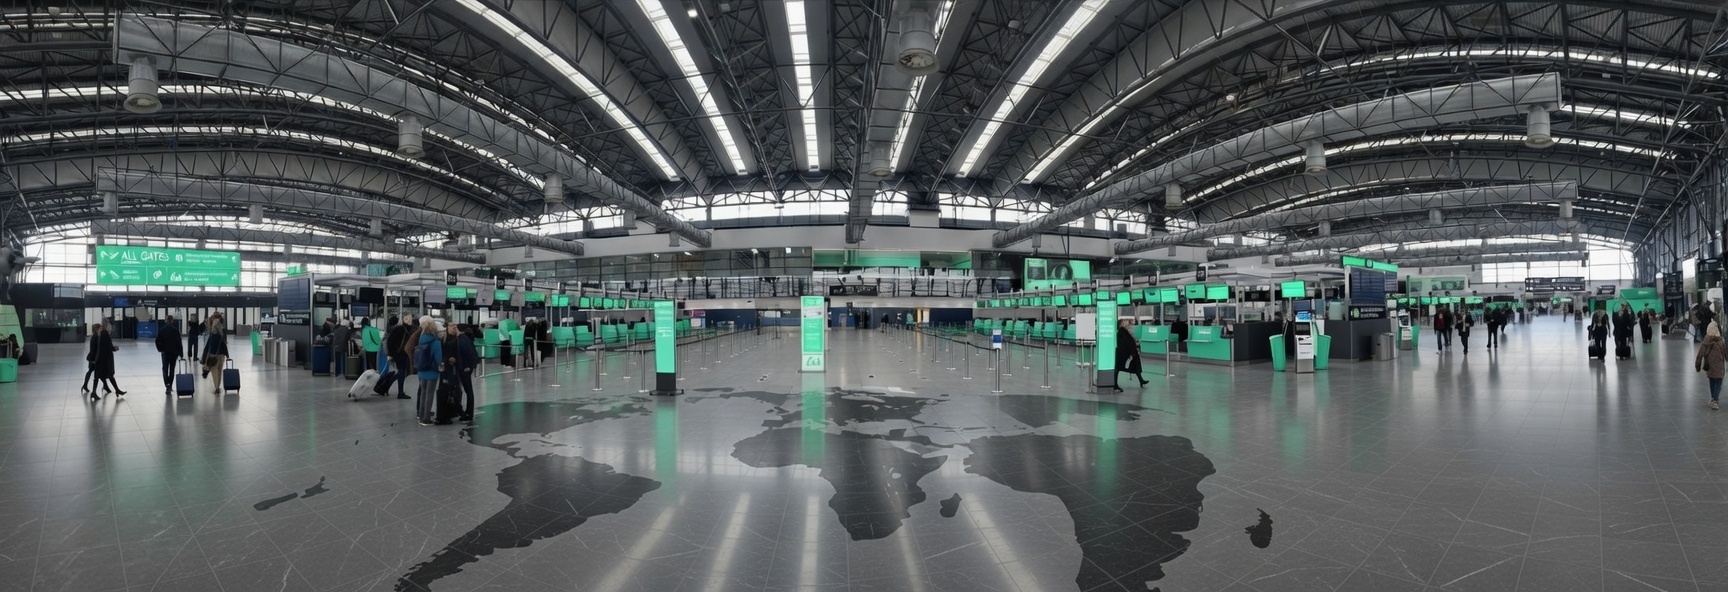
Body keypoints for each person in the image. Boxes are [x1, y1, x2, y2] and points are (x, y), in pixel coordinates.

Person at [412, 317, 444, 426]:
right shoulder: (436, 342)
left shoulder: (421, 339)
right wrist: (441, 367)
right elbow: (439, 359)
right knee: (429, 394)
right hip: (432, 371)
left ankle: (421, 416)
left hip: (422, 370)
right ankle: (426, 419)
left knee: (423, 393)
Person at [446, 324, 480, 422]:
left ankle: (469, 413)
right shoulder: (463, 339)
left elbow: (469, 354)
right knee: (468, 390)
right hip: (464, 367)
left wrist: (468, 367)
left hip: (465, 368)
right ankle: (468, 412)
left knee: (468, 390)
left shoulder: (462, 340)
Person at [85, 323, 122, 400]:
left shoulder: (96, 337)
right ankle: (114, 389)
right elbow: (105, 348)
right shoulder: (102, 336)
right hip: (99, 359)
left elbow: (95, 349)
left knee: (97, 375)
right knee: (105, 375)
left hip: (96, 359)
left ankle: (95, 391)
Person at [382, 313, 415, 399]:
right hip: (399, 354)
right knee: (402, 372)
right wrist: (392, 354)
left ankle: (388, 386)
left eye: (410, 318)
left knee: (402, 372)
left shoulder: (409, 329)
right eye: (407, 319)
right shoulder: (400, 329)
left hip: (404, 354)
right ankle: (399, 392)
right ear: (403, 320)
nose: (409, 320)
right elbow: (390, 341)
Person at [1699, 323, 1727, 411]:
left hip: (1711, 367)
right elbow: (1726, 353)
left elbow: (1700, 354)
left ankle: (1713, 399)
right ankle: (1715, 399)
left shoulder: (1706, 341)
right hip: (1720, 367)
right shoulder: (1721, 342)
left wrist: (1697, 364)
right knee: (1719, 383)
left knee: (1712, 382)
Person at [155, 314, 184, 395]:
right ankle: (170, 384)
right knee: (172, 369)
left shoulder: (162, 331)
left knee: (165, 368)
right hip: (174, 353)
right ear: (172, 321)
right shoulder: (176, 331)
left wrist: (161, 349)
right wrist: (180, 353)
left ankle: (167, 384)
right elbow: (179, 342)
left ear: (166, 321)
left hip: (165, 352)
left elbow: (157, 341)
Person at [1113, 320, 1145, 390]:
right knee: (1119, 368)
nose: (1130, 326)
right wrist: (1132, 352)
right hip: (1126, 354)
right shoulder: (1123, 333)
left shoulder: (1123, 332)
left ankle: (1141, 380)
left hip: (1125, 353)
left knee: (1119, 368)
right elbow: (1127, 343)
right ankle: (1115, 384)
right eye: (1128, 324)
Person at [203, 313, 229, 391]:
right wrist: (227, 355)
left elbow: (207, 347)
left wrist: (204, 357)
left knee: (214, 371)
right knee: (219, 371)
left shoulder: (212, 336)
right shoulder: (221, 336)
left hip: (213, 356)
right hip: (221, 356)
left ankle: (216, 386)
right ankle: (218, 385)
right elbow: (224, 346)